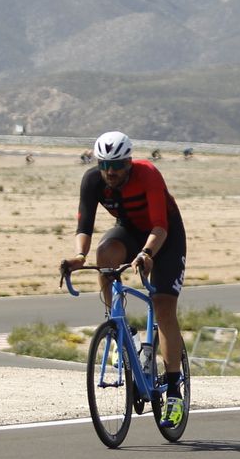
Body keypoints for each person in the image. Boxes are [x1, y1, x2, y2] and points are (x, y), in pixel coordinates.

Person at [61, 131, 190, 427]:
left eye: (117, 165)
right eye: (104, 165)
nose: (110, 172)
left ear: (129, 162)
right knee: (104, 254)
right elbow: (85, 226)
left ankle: (173, 392)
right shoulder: (93, 181)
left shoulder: (147, 174)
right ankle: (120, 327)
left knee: (163, 307)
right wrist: (79, 257)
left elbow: (160, 226)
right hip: (130, 230)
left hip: (164, 237)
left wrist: (147, 254)